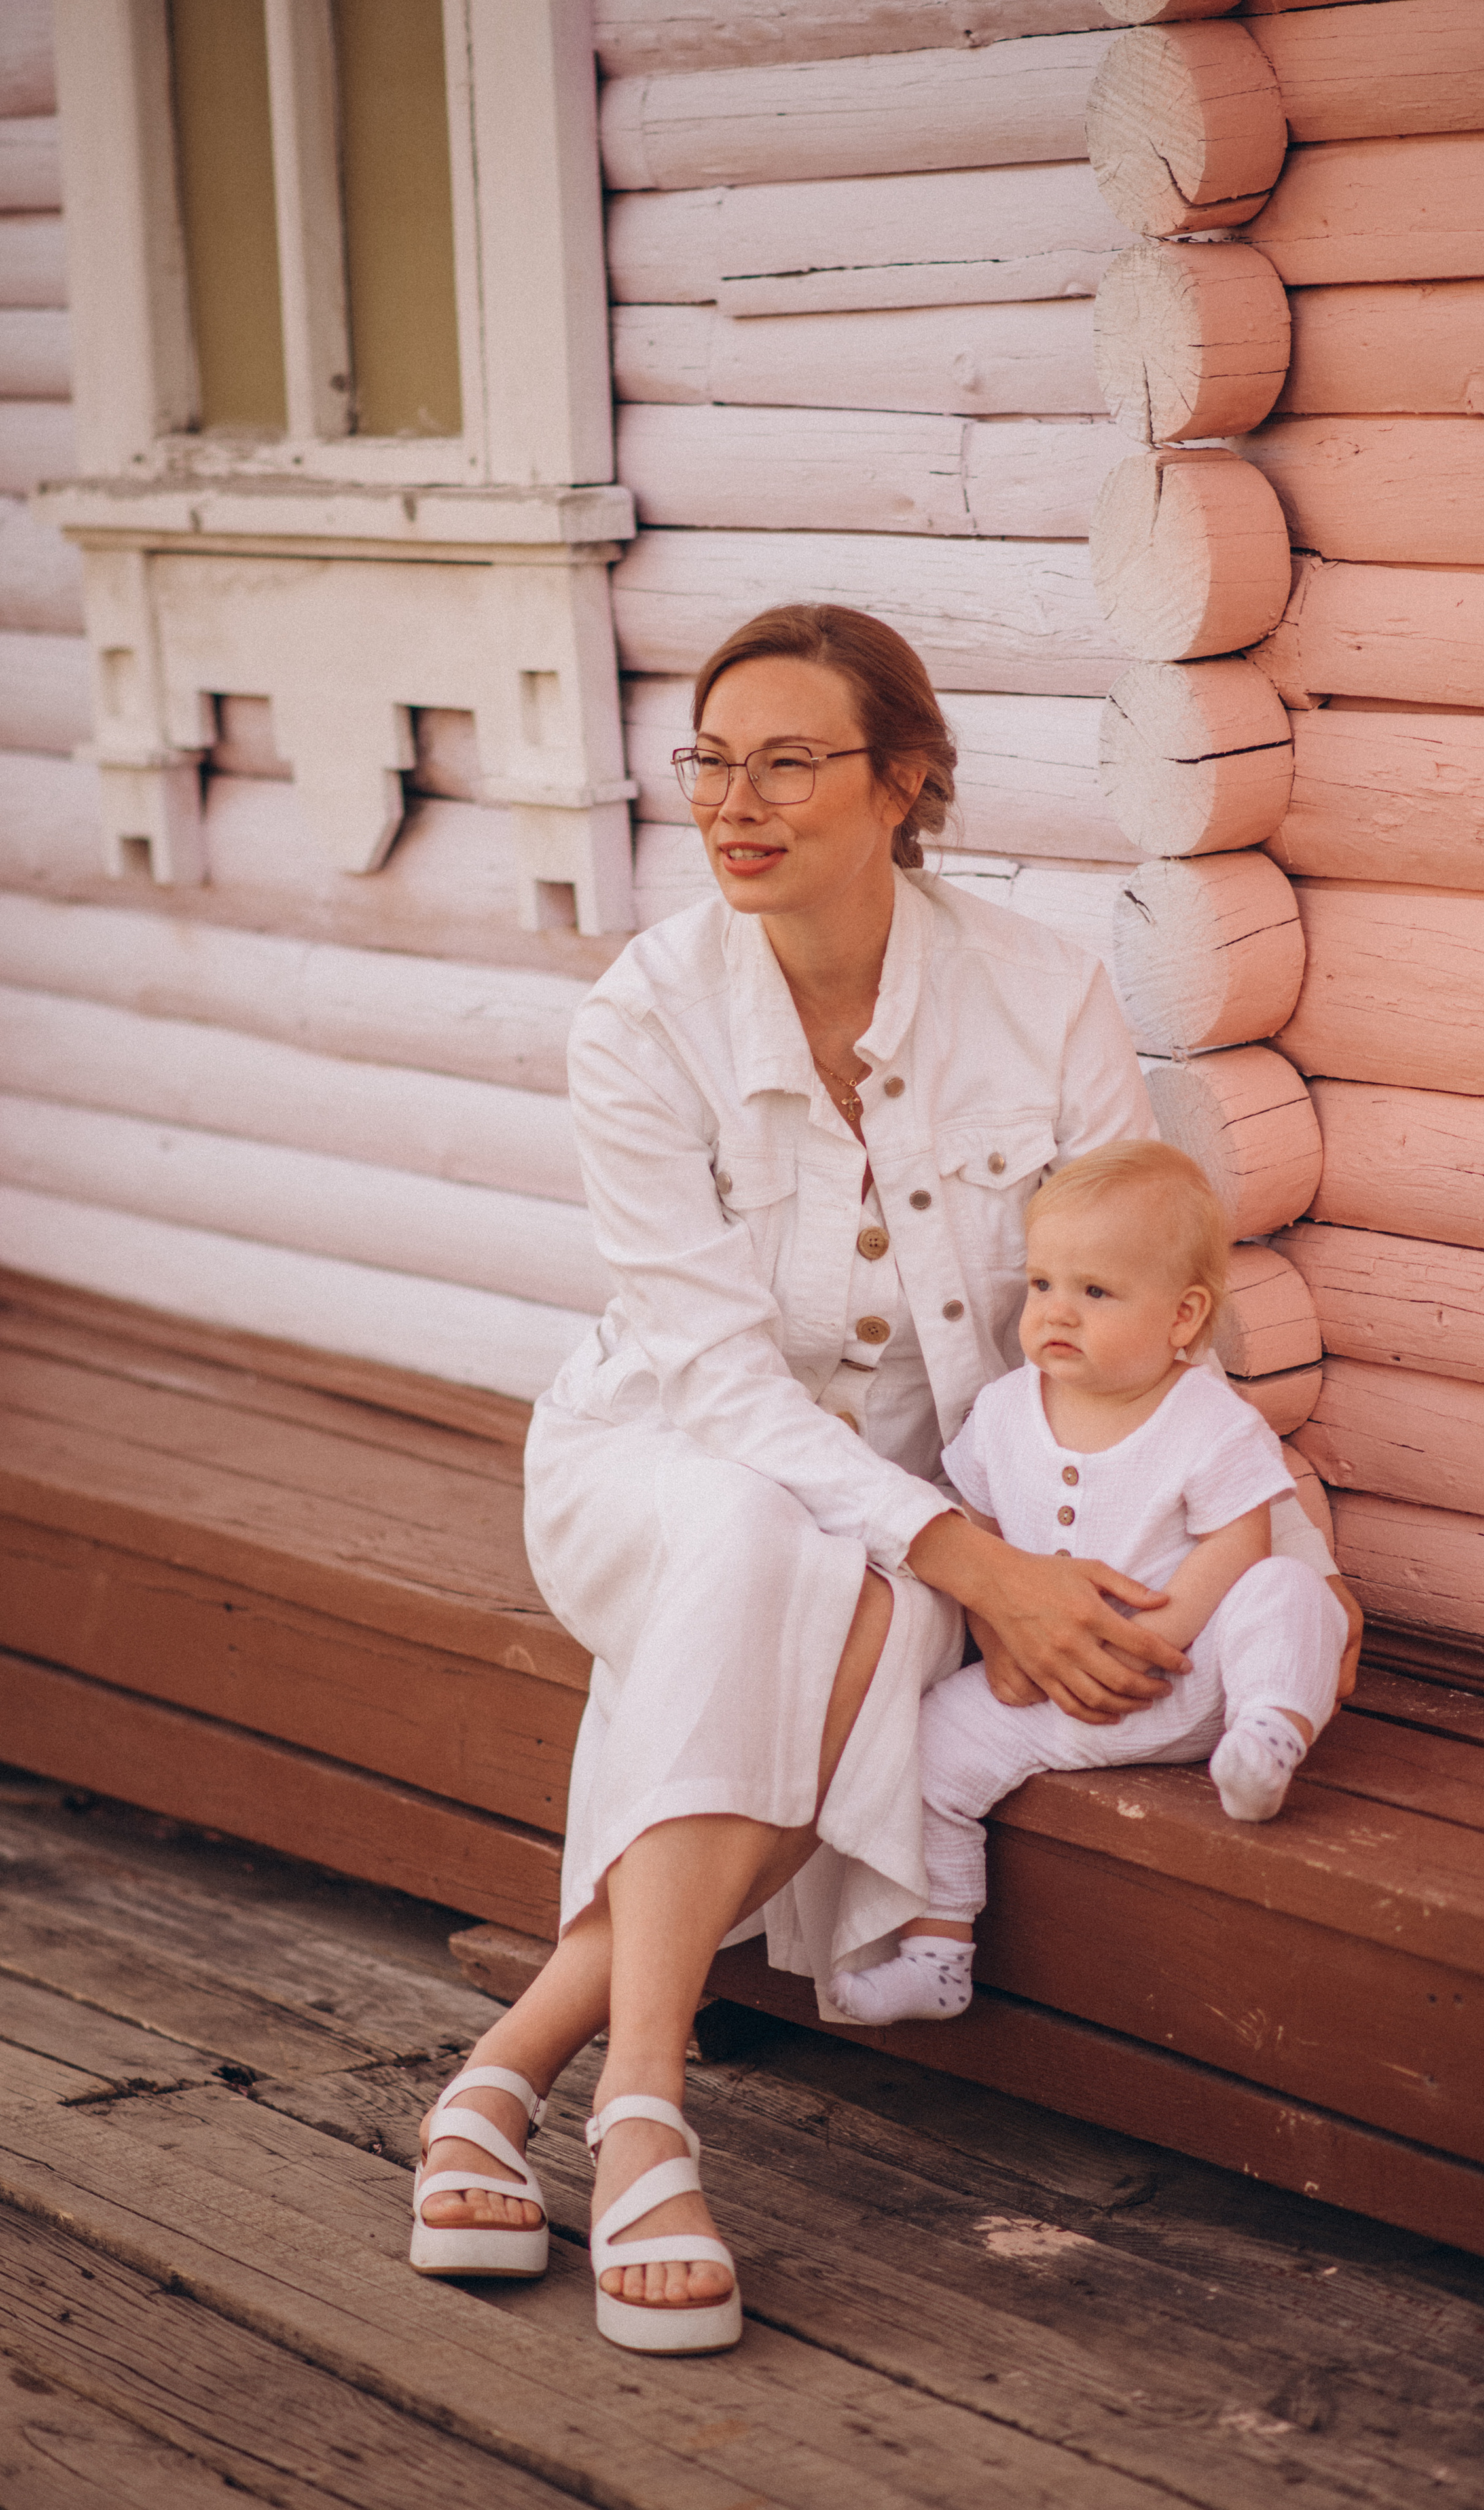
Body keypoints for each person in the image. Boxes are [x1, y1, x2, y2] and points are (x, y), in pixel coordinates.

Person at [405, 604, 1362, 2356]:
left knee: (826, 1571)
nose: (733, 802)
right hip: (664, 1455)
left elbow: (1131, 1293)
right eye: (709, 762)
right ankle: (645, 2104)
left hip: (941, 1490)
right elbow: (715, 1375)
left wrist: (1188, 1541)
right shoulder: (642, 1023)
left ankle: (518, 2071)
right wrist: (981, 1569)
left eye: (787, 761)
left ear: (906, 781)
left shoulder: (1040, 988)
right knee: (785, 1543)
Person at [827, 1138, 1348, 2028]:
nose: (1055, 1311)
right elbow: (979, 1526)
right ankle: (938, 1948)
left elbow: (1240, 1538)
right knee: (927, 1741)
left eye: (1096, 1291)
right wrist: (1002, 1640)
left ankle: (1267, 1737)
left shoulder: (1207, 1420)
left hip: (1189, 1684)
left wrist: (1166, 1635)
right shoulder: (1002, 1411)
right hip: (1048, 1692)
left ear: (1184, 1318)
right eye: (1041, 1284)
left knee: (1291, 1594)